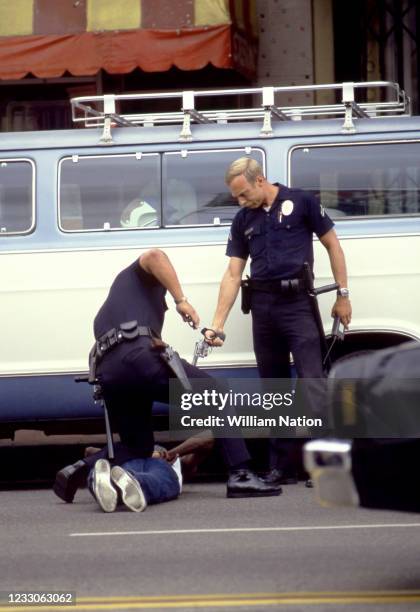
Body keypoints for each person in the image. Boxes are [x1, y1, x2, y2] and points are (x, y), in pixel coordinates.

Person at [53, 249, 281, 502]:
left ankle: (79, 467)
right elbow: (155, 256)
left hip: (109, 373)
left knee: (138, 447)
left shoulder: (113, 309)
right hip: (137, 360)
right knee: (216, 393)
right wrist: (180, 299)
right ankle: (241, 475)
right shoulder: (136, 276)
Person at [205, 157, 352, 483]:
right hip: (263, 306)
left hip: (298, 304)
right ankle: (280, 467)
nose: (241, 202)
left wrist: (343, 294)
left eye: (243, 194)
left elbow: (333, 245)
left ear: (260, 180)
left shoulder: (301, 202)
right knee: (274, 388)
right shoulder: (243, 219)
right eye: (236, 198)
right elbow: (232, 273)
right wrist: (217, 323)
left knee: (313, 382)